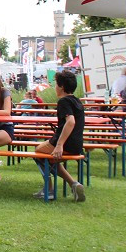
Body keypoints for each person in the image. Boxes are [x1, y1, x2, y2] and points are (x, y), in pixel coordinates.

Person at [33, 69, 86, 202]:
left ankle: (49, 189)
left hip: (66, 143)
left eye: (56, 84)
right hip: (77, 144)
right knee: (50, 159)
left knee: (39, 153)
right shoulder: (77, 101)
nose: (55, 87)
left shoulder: (64, 101)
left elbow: (70, 121)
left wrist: (59, 145)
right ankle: (73, 184)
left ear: (61, 86)